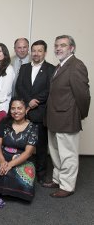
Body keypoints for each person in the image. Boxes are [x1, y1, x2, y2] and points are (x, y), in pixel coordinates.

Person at [43, 35, 90, 198]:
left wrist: (80, 114)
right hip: (54, 118)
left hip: (67, 118)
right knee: (55, 152)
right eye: (56, 45)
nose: (58, 48)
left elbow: (83, 95)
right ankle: (58, 179)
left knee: (68, 154)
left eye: (63, 45)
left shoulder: (76, 65)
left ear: (72, 48)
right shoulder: (59, 66)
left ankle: (67, 186)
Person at [15, 40, 55, 184]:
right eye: (34, 50)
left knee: (41, 146)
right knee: (22, 144)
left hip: (40, 112)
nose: (36, 53)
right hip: (24, 112)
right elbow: (19, 86)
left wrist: (35, 100)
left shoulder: (51, 69)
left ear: (45, 52)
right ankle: (22, 171)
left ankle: (41, 175)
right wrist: (28, 101)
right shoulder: (24, 67)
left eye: (40, 50)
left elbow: (50, 89)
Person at [0, 98, 38, 202]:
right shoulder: (4, 122)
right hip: (3, 155)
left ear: (26, 110)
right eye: (13, 108)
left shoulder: (33, 127)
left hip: (22, 158)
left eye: (19, 108)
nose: (16, 111)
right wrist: (3, 161)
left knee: (23, 176)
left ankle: (15, 193)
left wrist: (10, 164)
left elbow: (28, 152)